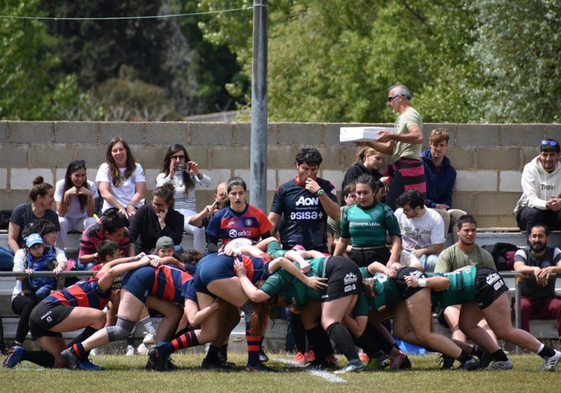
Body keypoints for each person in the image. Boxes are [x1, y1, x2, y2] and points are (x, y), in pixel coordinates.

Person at [4, 243, 150, 370]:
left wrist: (135, 258)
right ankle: (81, 359)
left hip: (40, 315)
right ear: (117, 291)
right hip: (48, 309)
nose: (125, 303)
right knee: (99, 317)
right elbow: (111, 270)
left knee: (62, 361)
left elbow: (110, 265)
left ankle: (21, 353)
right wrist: (142, 262)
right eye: (125, 298)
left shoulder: (102, 278)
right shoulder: (102, 285)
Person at [408, 265, 561, 371]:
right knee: (467, 325)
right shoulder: (417, 293)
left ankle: (550, 354)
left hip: (483, 282)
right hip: (475, 285)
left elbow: (445, 281)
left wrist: (420, 282)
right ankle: (501, 359)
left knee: (504, 331)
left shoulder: (420, 284)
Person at [362, 264, 480, 370]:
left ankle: (466, 359)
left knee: (424, 335)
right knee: (400, 332)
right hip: (403, 286)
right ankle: (475, 351)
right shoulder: (352, 278)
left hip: (411, 284)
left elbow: (358, 328)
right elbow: (374, 265)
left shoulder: (353, 286)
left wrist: (388, 270)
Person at [434, 214, 498, 367]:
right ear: (457, 231)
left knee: (484, 323)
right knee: (457, 323)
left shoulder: (484, 255)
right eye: (466, 230)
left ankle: (496, 357)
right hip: (451, 301)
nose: (470, 234)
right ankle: (460, 357)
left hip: (476, 301)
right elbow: (439, 281)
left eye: (473, 231)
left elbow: (493, 281)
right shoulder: (447, 254)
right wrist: (461, 273)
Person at [363, 84, 425, 210]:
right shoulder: (401, 118)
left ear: (400, 98)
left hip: (408, 169)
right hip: (403, 168)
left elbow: (418, 136)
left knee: (392, 207)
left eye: (390, 99)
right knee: (401, 209)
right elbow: (391, 149)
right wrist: (368, 143)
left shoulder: (410, 114)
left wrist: (392, 135)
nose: (388, 103)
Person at [268, 147, 340, 254]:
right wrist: (264, 241)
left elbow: (336, 215)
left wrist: (320, 193)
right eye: (305, 169)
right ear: (297, 165)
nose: (309, 174)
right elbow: (272, 221)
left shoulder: (326, 186)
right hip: (291, 249)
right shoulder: (284, 189)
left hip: (318, 249)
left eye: (313, 169)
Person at [10, 220, 67, 348]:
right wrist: (27, 272)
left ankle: (57, 347)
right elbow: (18, 274)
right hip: (23, 294)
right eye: (51, 233)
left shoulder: (55, 251)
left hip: (45, 293)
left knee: (51, 302)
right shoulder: (22, 253)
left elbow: (63, 263)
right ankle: (17, 343)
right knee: (31, 302)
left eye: (55, 232)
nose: (55, 235)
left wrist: (59, 268)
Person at [334, 174, 402, 268]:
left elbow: (396, 238)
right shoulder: (349, 211)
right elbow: (343, 240)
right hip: (355, 258)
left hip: (379, 257)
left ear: (374, 192)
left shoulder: (385, 210)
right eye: (358, 193)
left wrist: (392, 260)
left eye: (366, 193)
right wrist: (333, 262)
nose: (362, 197)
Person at [156, 144, 211, 253]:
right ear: (169, 159)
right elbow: (159, 191)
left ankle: (198, 259)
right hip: (172, 214)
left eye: (181, 157)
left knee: (199, 229)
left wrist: (197, 173)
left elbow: (208, 183)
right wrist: (171, 176)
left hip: (189, 214)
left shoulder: (190, 175)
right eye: (174, 157)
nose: (178, 160)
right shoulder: (163, 176)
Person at [0, 177, 60, 271]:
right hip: (17, 254)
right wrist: (21, 257)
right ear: (40, 198)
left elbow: (52, 244)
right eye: (51, 196)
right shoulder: (20, 211)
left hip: (39, 259)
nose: (53, 199)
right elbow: (11, 239)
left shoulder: (52, 217)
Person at [513, 224, 561, 336]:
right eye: (534, 236)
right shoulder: (522, 252)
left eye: (540, 236)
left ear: (547, 238)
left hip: (547, 299)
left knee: (560, 306)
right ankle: (524, 346)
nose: (536, 240)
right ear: (529, 238)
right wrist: (534, 269)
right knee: (521, 307)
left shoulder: (554, 252)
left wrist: (552, 269)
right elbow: (518, 267)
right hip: (527, 299)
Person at [422, 128, 466, 242]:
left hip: (439, 209)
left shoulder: (450, 171)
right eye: (435, 145)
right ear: (430, 144)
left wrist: (444, 206)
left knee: (461, 216)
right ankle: (439, 252)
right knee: (444, 216)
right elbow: (414, 194)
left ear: (447, 146)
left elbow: (447, 196)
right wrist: (434, 205)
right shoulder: (420, 164)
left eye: (442, 145)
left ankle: (460, 254)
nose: (438, 149)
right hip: (422, 208)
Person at [206, 177, 272, 253]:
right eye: (234, 194)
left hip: (251, 257)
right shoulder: (219, 216)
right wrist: (220, 250)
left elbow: (268, 241)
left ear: (245, 193)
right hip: (228, 257)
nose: (237, 197)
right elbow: (211, 244)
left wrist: (259, 247)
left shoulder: (258, 214)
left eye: (241, 193)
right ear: (227, 194)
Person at [515, 138, 561, 233]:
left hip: (552, 214)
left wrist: (559, 202)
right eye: (545, 155)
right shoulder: (530, 169)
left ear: (558, 155)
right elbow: (531, 199)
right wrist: (547, 204)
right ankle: (533, 247)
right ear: (540, 155)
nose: (548, 159)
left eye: (552, 155)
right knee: (534, 213)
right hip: (528, 213)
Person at [395, 189, 445, 272]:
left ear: (417, 208)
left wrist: (423, 251)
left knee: (434, 262)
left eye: (407, 210)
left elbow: (438, 246)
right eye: (403, 209)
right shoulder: (398, 213)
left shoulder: (435, 218)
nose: (404, 212)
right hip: (403, 251)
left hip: (425, 254)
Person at [96, 137, 146, 218]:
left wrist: (130, 205)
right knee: (119, 220)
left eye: (121, 149)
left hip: (133, 206)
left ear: (127, 151)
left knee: (134, 222)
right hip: (113, 208)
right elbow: (104, 192)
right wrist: (120, 207)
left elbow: (141, 192)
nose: (118, 153)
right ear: (110, 154)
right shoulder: (105, 168)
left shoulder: (137, 167)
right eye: (115, 151)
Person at [128, 183, 185, 255]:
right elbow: (132, 235)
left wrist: (163, 224)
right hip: (144, 252)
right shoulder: (144, 211)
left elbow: (176, 241)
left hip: (165, 253)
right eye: (154, 204)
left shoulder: (178, 218)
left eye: (160, 205)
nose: (157, 208)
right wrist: (132, 257)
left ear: (169, 203)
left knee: (179, 248)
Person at [55, 160, 98, 250]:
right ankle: (59, 252)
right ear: (70, 175)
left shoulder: (90, 185)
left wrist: (89, 195)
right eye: (77, 175)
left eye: (83, 175)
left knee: (92, 222)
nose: (80, 179)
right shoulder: (61, 185)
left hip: (82, 219)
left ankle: (88, 252)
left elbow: (90, 214)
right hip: (67, 219)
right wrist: (66, 195)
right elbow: (61, 213)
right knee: (60, 221)